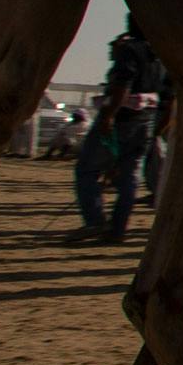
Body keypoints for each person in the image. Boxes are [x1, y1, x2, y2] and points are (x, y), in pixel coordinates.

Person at [71, 20, 162, 242]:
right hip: (145, 120)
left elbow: (123, 84)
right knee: (128, 177)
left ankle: (94, 221)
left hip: (122, 119)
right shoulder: (158, 54)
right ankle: (118, 228)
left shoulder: (131, 50)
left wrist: (108, 116)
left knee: (87, 170)